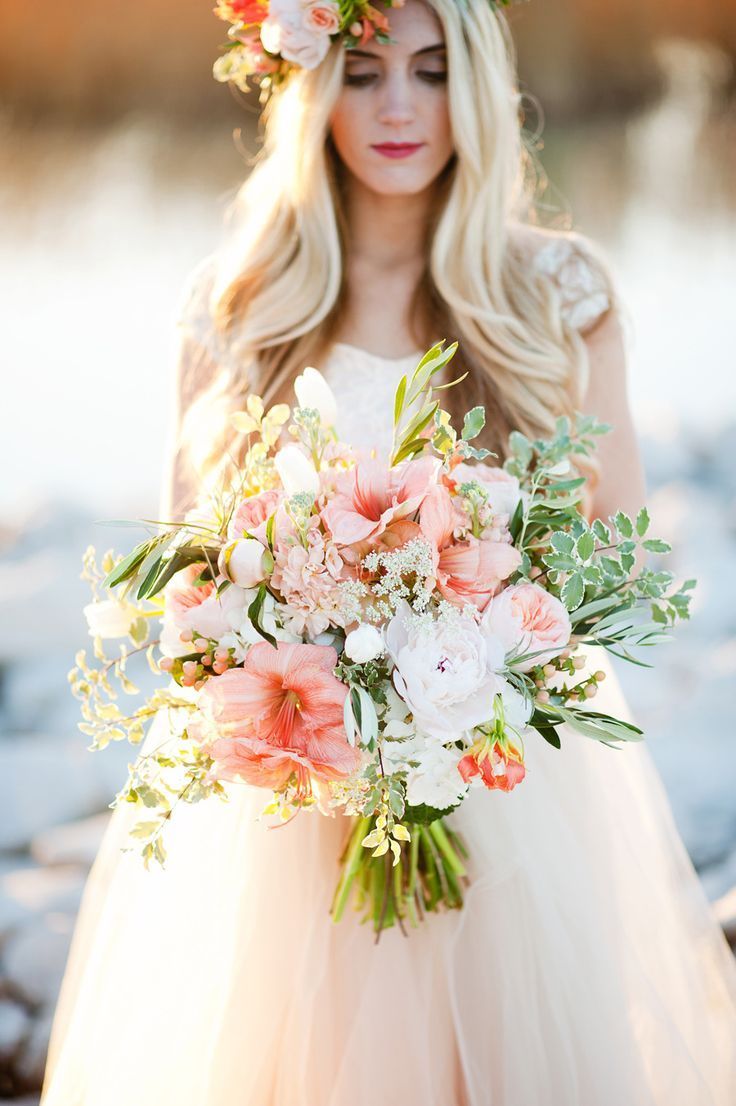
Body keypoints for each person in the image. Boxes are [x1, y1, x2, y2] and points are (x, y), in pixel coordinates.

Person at [40, 2, 736, 1103]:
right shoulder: (238, 304)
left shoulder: (556, 295)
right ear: (308, 85)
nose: (400, 106)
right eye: (362, 72)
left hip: (513, 778)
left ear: (480, 85)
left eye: (431, 69)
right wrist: (306, 642)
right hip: (289, 793)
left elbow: (618, 552)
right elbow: (190, 576)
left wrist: (461, 639)